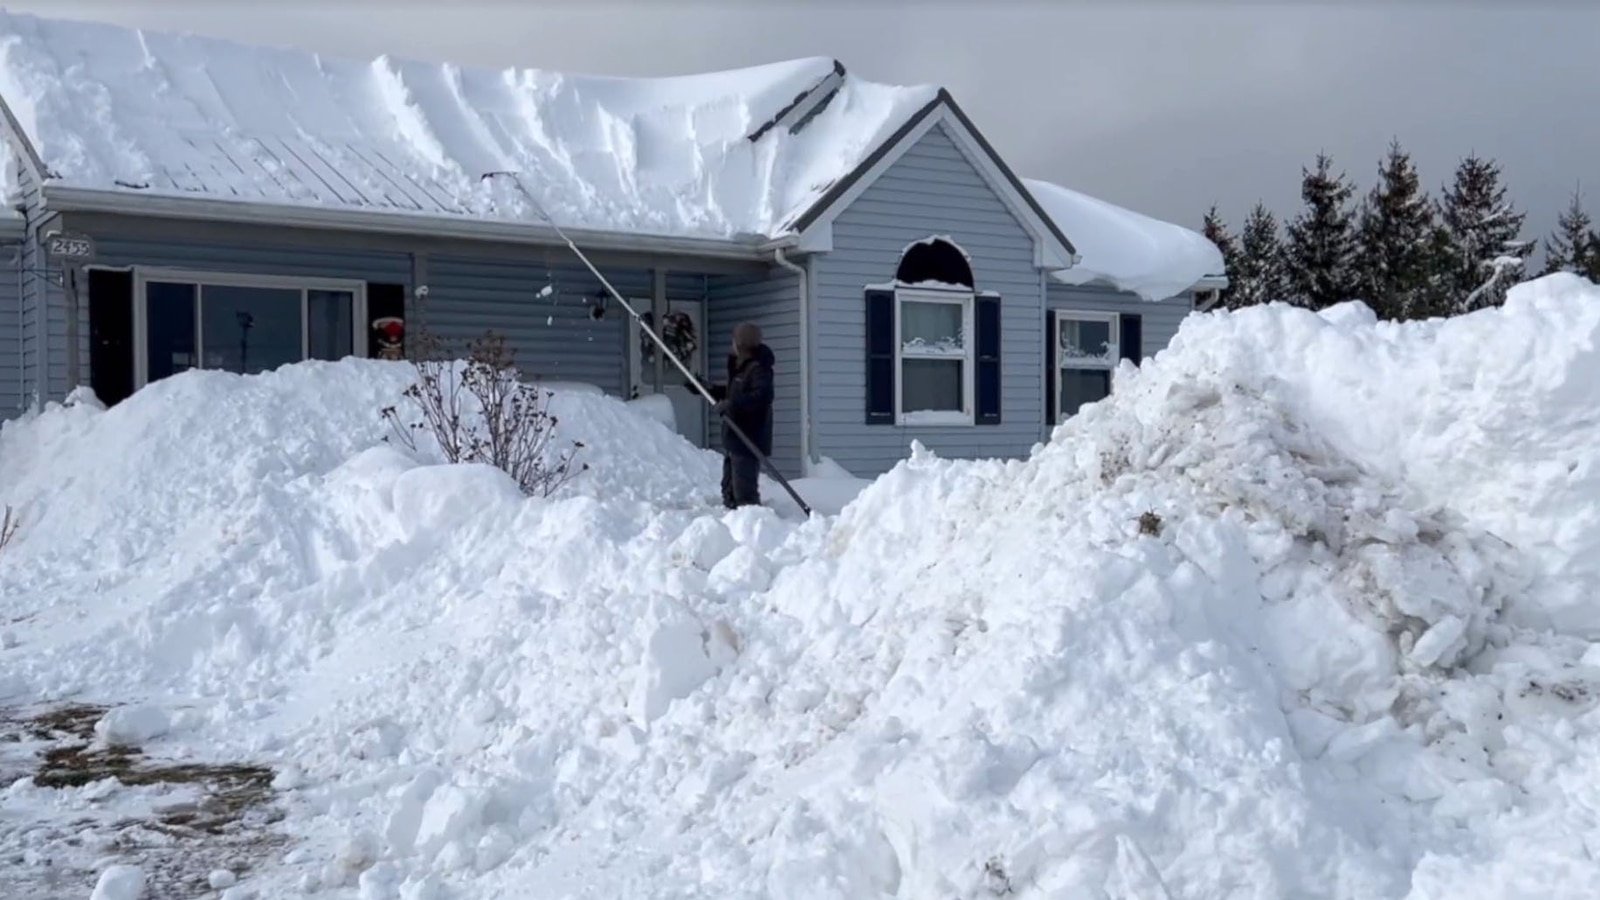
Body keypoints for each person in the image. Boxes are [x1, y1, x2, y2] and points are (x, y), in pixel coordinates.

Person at [708, 322, 774, 509]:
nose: (732, 344)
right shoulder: (741, 367)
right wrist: (709, 389)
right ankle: (733, 522)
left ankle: (752, 526)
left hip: (749, 437)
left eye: (734, 340)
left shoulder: (759, 369)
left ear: (741, 344)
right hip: (735, 437)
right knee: (729, 488)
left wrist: (731, 405)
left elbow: (760, 398)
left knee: (744, 491)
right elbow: (735, 393)